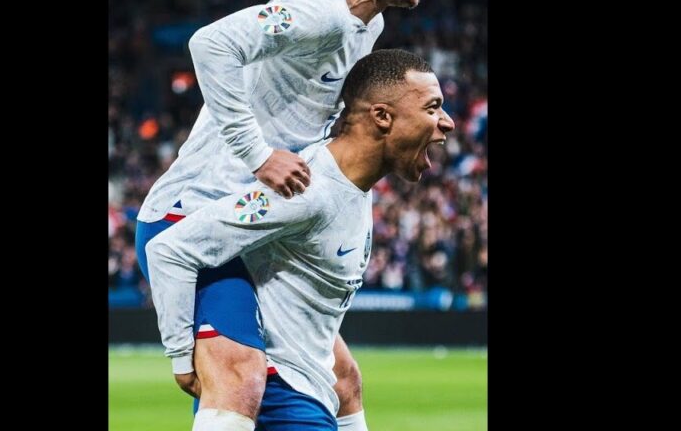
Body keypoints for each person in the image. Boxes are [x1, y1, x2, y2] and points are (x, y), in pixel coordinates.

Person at [133, 0, 438, 431]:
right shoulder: (316, 11)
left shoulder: (369, 23)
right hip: (197, 217)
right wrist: (258, 153)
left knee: (341, 379)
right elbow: (211, 44)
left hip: (261, 225)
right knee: (240, 375)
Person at [147, 49, 456, 431]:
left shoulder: (355, 186)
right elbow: (170, 248)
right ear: (382, 116)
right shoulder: (306, 190)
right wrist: (182, 357)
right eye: (433, 107)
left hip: (308, 396)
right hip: (278, 400)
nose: (448, 123)